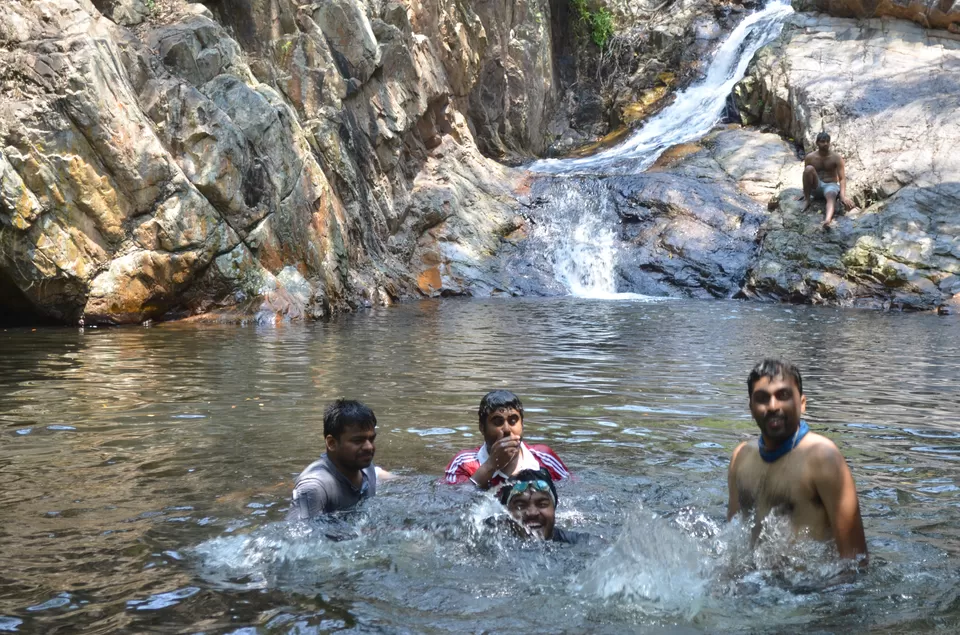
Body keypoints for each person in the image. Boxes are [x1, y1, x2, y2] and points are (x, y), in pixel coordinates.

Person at [726, 359, 868, 562]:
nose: (773, 406)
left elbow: (856, 561)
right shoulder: (740, 458)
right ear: (750, 407)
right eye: (762, 398)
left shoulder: (824, 459)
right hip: (754, 585)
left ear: (802, 403)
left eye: (783, 395)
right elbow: (732, 543)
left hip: (807, 589)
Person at [443, 390, 570, 489]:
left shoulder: (544, 458)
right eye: (498, 422)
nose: (507, 429)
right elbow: (453, 501)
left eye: (513, 421)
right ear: (482, 427)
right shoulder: (464, 463)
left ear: (522, 424)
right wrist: (491, 465)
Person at [288, 399, 389, 520]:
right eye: (358, 441)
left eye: (371, 439)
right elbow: (300, 536)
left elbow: (376, 472)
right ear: (331, 443)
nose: (369, 447)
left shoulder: (365, 467)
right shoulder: (313, 488)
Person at [497, 469, 589, 544]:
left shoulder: (582, 543)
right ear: (507, 511)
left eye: (542, 504)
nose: (532, 512)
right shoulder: (490, 542)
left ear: (554, 507)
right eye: (520, 505)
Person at [798, 131, 857, 228]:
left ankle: (827, 220)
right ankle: (807, 200)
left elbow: (842, 178)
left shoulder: (836, 157)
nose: (825, 144)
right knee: (809, 169)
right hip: (816, 185)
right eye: (822, 141)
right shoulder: (810, 157)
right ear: (817, 143)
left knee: (831, 195)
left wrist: (842, 196)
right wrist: (804, 193)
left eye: (827, 141)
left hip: (831, 185)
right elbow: (806, 176)